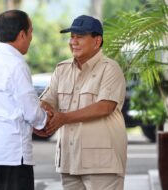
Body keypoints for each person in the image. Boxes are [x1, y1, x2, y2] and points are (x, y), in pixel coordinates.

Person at [36, 15, 127, 190]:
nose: (73, 42)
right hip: (69, 162)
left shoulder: (110, 69)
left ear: (97, 41)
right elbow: (47, 101)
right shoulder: (61, 69)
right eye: (72, 37)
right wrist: (42, 121)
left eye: (80, 37)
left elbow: (105, 107)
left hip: (102, 164)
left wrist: (63, 118)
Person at [0, 10, 49, 190]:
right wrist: (45, 119)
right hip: (14, 153)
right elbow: (32, 112)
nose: (31, 37)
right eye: (31, 31)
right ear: (22, 34)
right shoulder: (17, 64)